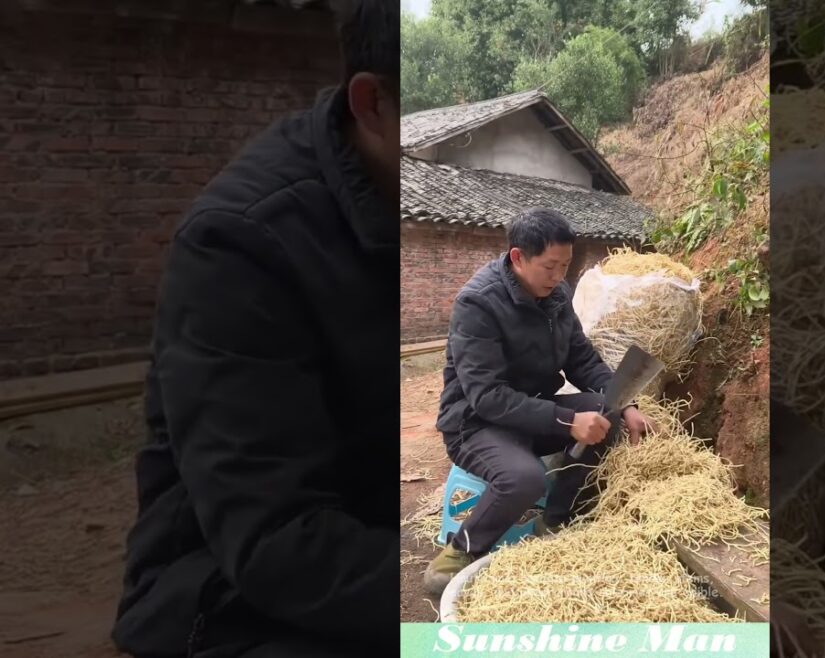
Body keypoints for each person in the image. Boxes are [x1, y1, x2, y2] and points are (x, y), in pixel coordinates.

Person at [111, 2, 401, 656]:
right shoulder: (239, 246)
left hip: (370, 542)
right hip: (229, 596)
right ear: (371, 104)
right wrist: (470, 594)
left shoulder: (404, 197)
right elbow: (275, 541)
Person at [423, 208, 652, 594]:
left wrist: (625, 402)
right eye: (549, 266)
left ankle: (556, 521)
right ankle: (461, 550)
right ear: (518, 257)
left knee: (604, 413)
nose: (559, 276)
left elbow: (582, 359)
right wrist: (566, 422)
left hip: (534, 410)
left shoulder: (557, 295)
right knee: (523, 477)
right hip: (477, 424)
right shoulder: (478, 304)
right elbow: (487, 397)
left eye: (565, 265)